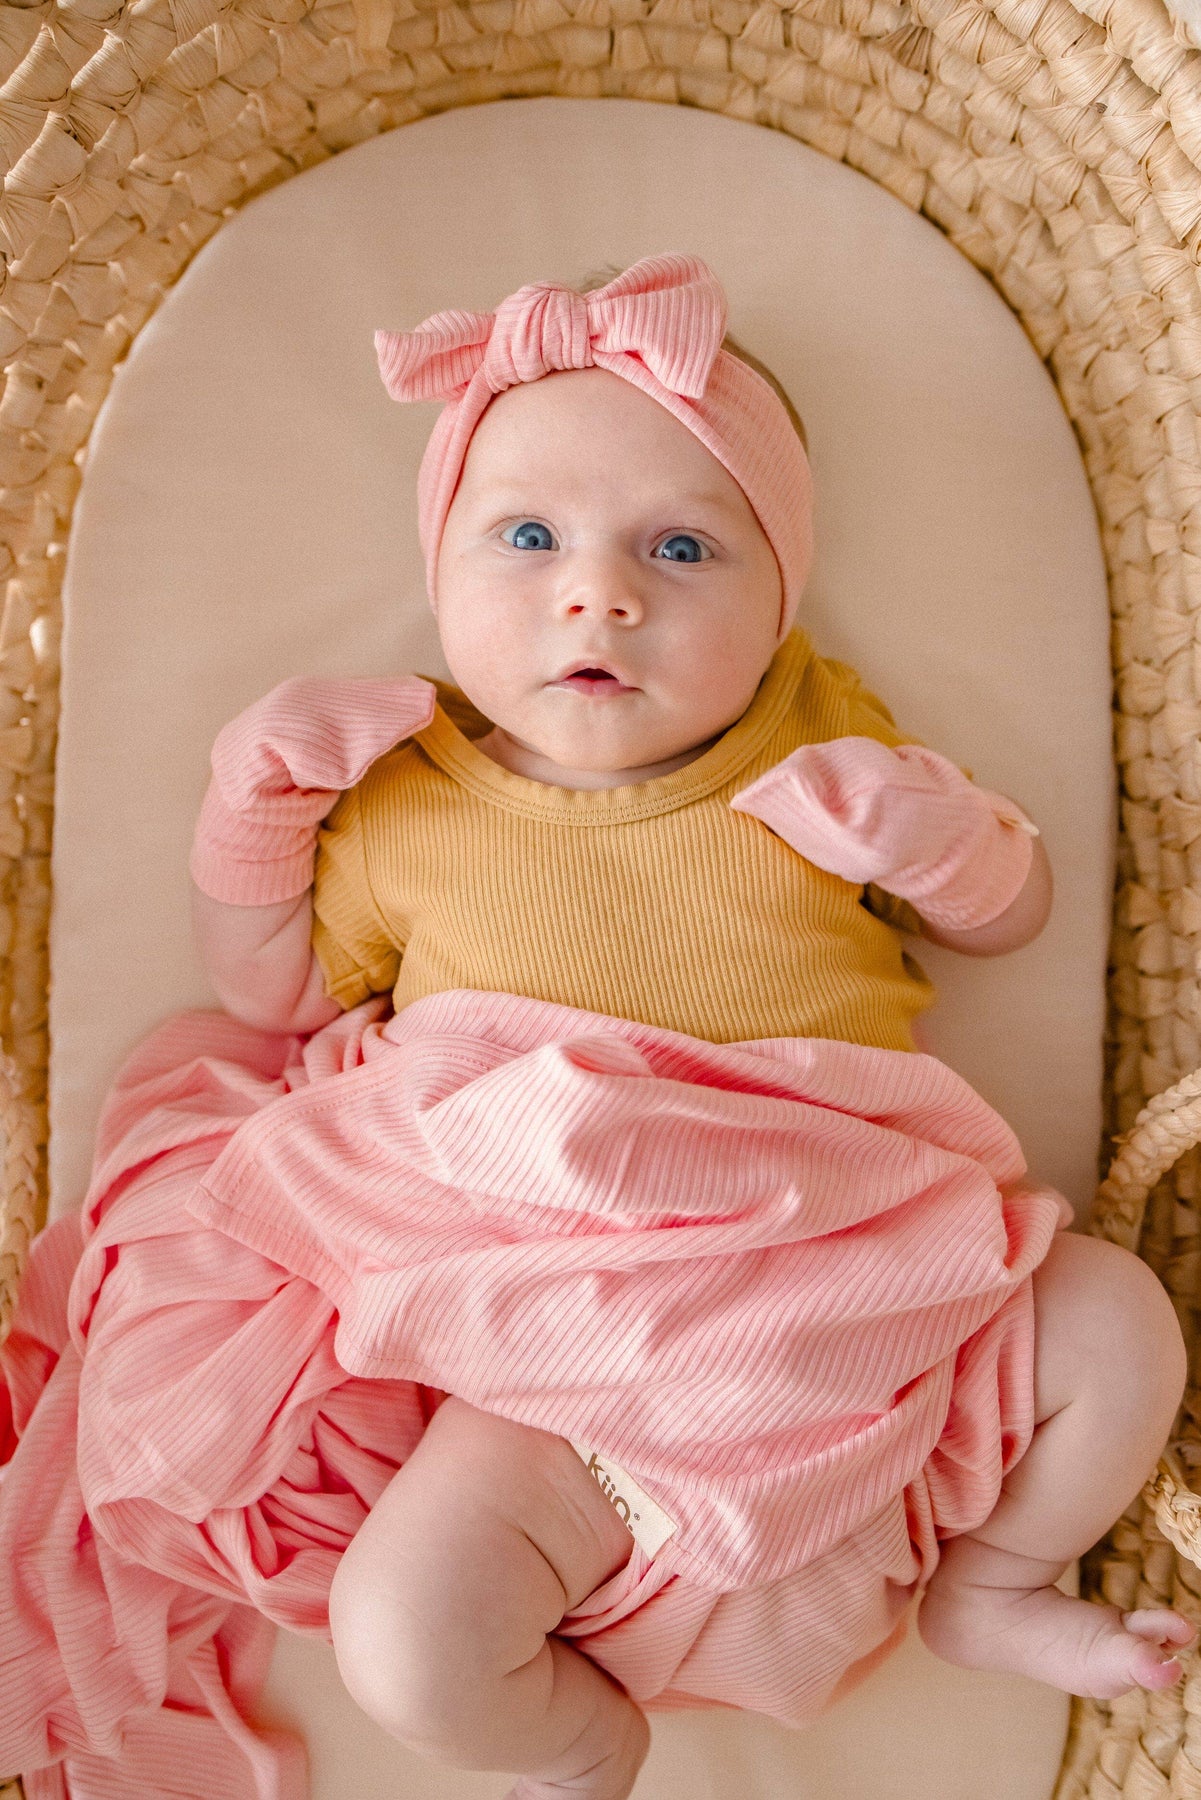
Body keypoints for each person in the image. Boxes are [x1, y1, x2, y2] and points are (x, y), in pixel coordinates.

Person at [188, 251, 1195, 1800]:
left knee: (1118, 1322)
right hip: (570, 1367)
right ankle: (576, 1749)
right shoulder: (398, 793)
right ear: (437, 569)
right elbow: (272, 999)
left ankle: (991, 1583)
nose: (601, 593)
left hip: (873, 1289)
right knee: (403, 1634)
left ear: (780, 599)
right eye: (527, 537)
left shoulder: (813, 729)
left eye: (680, 546)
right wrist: (250, 807)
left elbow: (1004, 916)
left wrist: (936, 837)